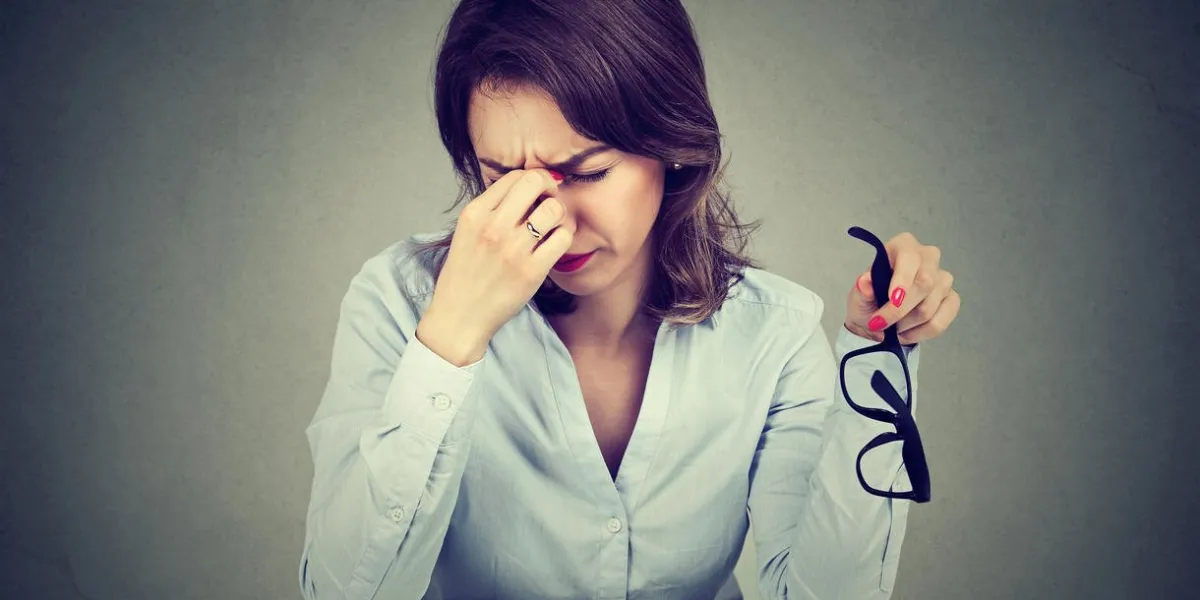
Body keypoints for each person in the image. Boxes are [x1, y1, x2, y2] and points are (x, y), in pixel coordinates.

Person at [298, 1, 961, 598]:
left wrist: (879, 353)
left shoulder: (773, 333)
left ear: (669, 147)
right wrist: (450, 342)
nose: (545, 220)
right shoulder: (398, 302)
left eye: (586, 173)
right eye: (500, 177)